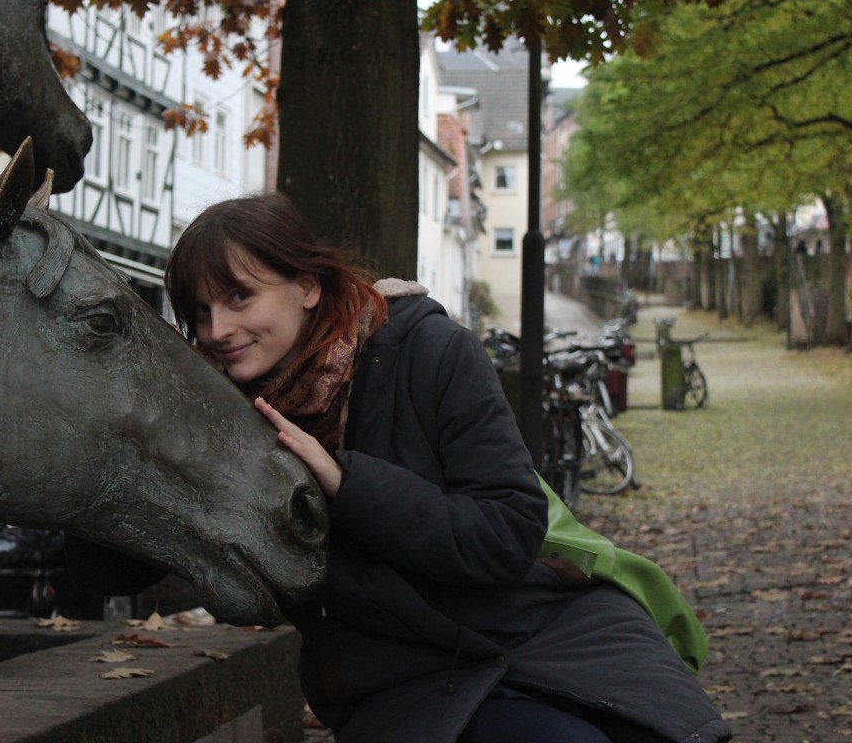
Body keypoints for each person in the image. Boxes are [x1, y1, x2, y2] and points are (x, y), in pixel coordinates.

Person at [161, 193, 731, 743]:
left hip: (545, 634)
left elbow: (508, 532)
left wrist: (347, 482)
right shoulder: (224, 426)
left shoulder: (429, 350)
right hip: (407, 688)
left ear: (308, 286)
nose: (218, 331)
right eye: (202, 312)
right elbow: (141, 564)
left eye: (240, 297)